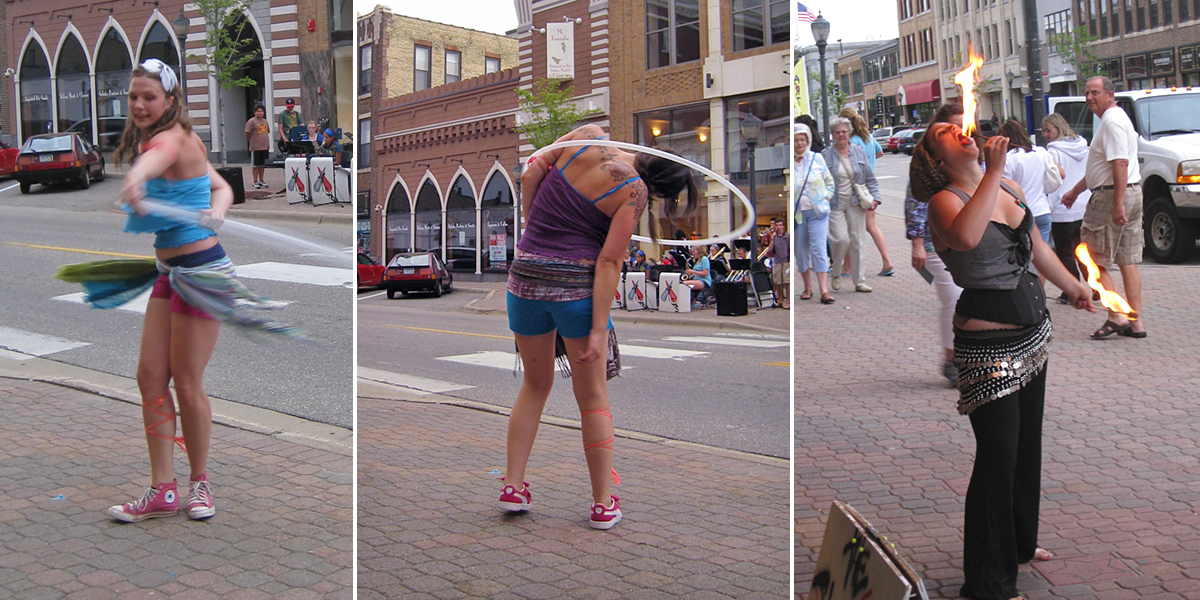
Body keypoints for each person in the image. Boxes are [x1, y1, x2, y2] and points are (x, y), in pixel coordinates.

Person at [912, 121, 1094, 600]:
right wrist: (992, 172)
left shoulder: (1009, 185)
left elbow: (1036, 249)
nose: (960, 130)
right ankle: (988, 582)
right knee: (997, 455)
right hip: (989, 346)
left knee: (1025, 446)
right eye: (946, 133)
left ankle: (1018, 544)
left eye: (957, 125)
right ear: (937, 158)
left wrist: (1072, 286)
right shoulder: (943, 201)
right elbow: (968, 239)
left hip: (1034, 332)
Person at [502, 124, 698, 529]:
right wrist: (596, 329)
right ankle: (602, 504)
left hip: (524, 278)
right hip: (575, 288)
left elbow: (530, 170)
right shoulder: (634, 192)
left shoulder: (588, 136)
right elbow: (610, 262)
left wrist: (532, 227)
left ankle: (514, 485)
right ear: (659, 188)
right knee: (592, 397)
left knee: (534, 385)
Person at [107, 59, 237, 522]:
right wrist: (216, 205)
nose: (140, 104)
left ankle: (199, 483)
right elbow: (222, 187)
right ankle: (163, 489)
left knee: (186, 382)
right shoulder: (175, 139)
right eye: (134, 97)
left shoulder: (173, 138)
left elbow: (152, 161)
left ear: (169, 101)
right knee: (149, 378)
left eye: (149, 97)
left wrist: (135, 181)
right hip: (169, 271)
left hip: (202, 273)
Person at [1061, 76, 1146, 339]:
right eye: (1087, 93)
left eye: (1095, 92)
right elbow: (1104, 166)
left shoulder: (1111, 122)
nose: (1089, 98)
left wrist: (1117, 204)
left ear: (1110, 94)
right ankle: (1136, 323)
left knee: (1092, 258)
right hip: (1129, 191)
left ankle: (1116, 316)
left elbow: (1119, 163)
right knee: (1126, 260)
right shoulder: (1117, 119)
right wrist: (1075, 191)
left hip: (1112, 196)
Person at [907, 103, 967, 385]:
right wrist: (917, 243)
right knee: (952, 298)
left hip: (966, 239)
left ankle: (969, 356)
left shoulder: (970, 154)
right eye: (952, 127)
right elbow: (916, 201)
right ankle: (950, 357)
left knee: (966, 299)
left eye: (963, 126)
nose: (960, 132)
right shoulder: (928, 159)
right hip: (933, 243)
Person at [823, 117, 881, 293]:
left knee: (857, 240)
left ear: (849, 133)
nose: (841, 135)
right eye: (837, 132)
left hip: (856, 202)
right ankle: (836, 272)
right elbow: (819, 181)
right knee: (841, 239)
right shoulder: (825, 155)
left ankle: (859, 281)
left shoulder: (858, 152)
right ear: (832, 135)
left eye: (844, 132)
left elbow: (870, 177)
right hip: (834, 203)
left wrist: (876, 197)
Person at [1042, 112, 1092, 304]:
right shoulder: (1084, 147)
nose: (1046, 134)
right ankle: (1096, 286)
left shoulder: (1053, 152)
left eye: (1048, 130)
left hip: (1063, 206)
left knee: (1065, 252)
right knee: (1084, 250)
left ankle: (1071, 290)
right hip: (1083, 203)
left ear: (1058, 127)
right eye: (1044, 131)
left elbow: (1053, 181)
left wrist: (1051, 205)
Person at [839, 107, 894, 276]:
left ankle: (847, 267)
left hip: (854, 188)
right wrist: (869, 162)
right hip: (869, 187)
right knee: (872, 226)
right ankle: (887, 262)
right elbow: (880, 152)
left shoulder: (852, 142)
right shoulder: (869, 138)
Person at [996, 120, 1062, 245]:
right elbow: (1058, 173)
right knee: (1042, 256)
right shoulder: (1040, 151)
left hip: (1021, 214)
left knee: (1025, 257)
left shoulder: (1009, 158)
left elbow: (1003, 188)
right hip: (1043, 210)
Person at [794, 122, 835, 304]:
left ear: (808, 141)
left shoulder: (817, 158)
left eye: (802, 139)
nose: (799, 143)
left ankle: (824, 291)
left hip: (817, 213)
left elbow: (830, 183)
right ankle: (807, 287)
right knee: (801, 253)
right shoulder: (790, 162)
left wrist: (825, 199)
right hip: (797, 215)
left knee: (818, 249)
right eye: (796, 140)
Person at [762, 218, 790, 308]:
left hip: (785, 260)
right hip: (776, 260)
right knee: (778, 281)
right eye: (777, 225)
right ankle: (780, 300)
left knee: (787, 281)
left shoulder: (787, 236)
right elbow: (770, 250)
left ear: (784, 226)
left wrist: (790, 261)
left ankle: (788, 301)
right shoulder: (775, 237)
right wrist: (772, 238)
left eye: (780, 225)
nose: (779, 227)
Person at [244, 103, 271, 189]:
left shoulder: (265, 121)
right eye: (258, 111)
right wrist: (252, 141)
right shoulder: (251, 121)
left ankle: (261, 180)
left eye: (261, 111)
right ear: (255, 112)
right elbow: (247, 133)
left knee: (262, 165)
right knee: (256, 165)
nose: (260, 113)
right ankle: (255, 181)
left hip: (264, 147)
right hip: (256, 147)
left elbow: (267, 132)